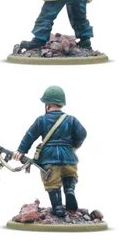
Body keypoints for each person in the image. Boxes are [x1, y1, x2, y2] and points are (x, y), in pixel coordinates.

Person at [12, 86, 87, 217]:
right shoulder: (71, 119)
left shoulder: (42, 120)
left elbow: (30, 135)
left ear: (47, 105)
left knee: (51, 181)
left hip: (49, 157)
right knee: (70, 174)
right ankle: (69, 190)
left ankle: (58, 208)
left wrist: (21, 150)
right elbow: (82, 133)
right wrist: (73, 146)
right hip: (68, 156)